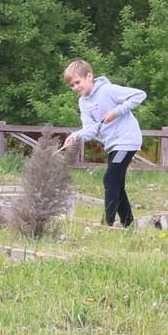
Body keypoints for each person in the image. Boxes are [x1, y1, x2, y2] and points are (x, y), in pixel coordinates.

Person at [63, 61, 148, 228]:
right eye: (72, 85)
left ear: (89, 77)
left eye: (77, 82)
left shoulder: (107, 90)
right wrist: (75, 136)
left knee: (110, 179)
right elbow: (90, 130)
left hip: (127, 141)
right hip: (112, 144)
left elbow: (140, 95)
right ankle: (128, 224)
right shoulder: (83, 102)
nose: (75, 87)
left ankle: (107, 224)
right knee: (117, 183)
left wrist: (116, 112)